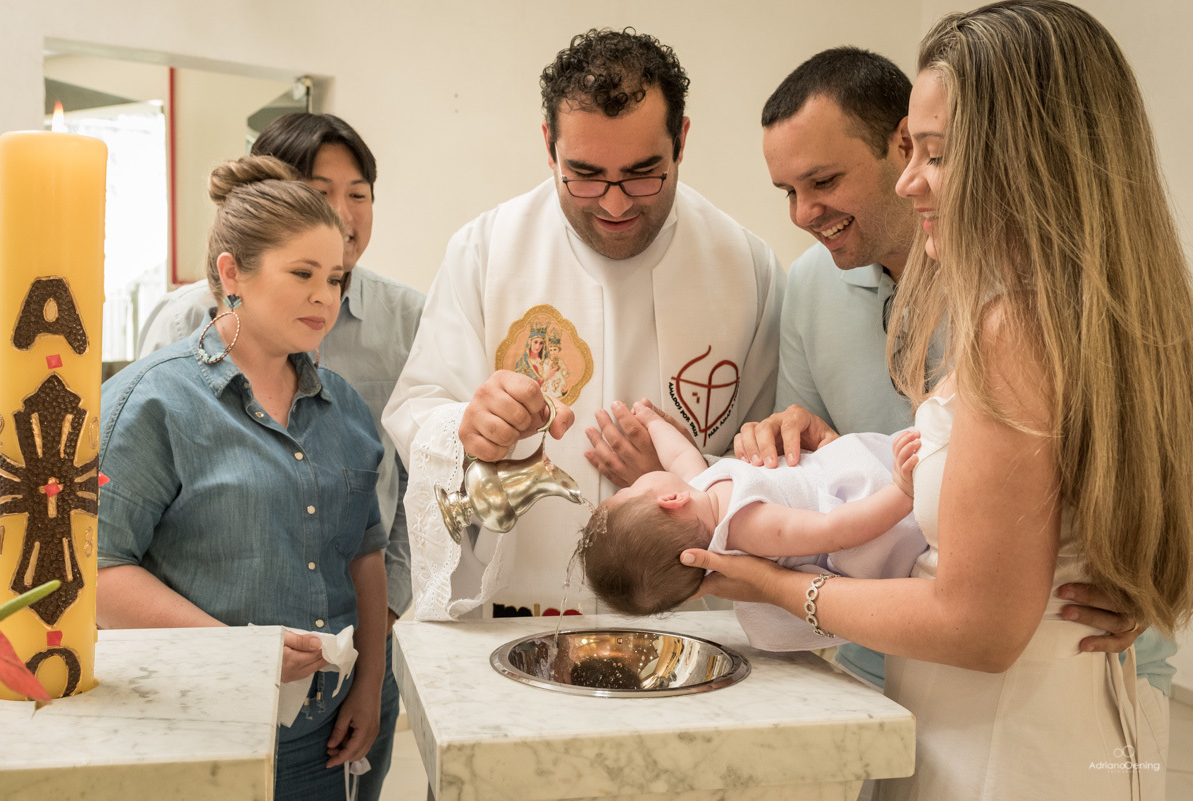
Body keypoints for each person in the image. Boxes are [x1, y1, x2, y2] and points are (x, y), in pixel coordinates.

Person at [687, 2, 1193, 796]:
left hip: (1005, 738)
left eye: (936, 153)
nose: (910, 176)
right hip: (1025, 711)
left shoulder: (1012, 327)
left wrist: (773, 585)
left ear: (1024, 159)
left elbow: (980, 627)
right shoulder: (1081, 308)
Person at [384, 28, 783, 621]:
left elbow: (774, 465)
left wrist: (687, 484)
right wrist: (466, 428)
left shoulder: (745, 266)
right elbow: (418, 409)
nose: (615, 204)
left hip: (688, 617)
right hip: (516, 608)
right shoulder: (486, 250)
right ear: (549, 145)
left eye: (644, 174)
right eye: (585, 175)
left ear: (681, 141)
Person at [136, 113, 422, 801]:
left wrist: (374, 644)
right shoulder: (174, 355)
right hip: (203, 678)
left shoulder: (381, 349)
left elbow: (397, 510)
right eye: (320, 194)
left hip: (347, 663)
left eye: (359, 193)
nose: (344, 215)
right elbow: (117, 543)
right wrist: (235, 651)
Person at [581, 403, 924, 638]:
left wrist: (653, 422)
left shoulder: (703, 490)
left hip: (851, 482)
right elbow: (834, 531)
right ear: (672, 500)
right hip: (871, 508)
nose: (634, 482)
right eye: (630, 490)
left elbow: (680, 454)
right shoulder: (745, 525)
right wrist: (901, 493)